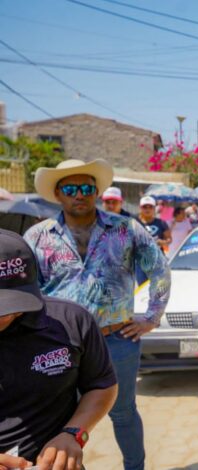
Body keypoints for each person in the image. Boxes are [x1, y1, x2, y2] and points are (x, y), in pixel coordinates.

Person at [23, 159, 171, 470]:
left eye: (87, 188)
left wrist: (152, 317)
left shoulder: (126, 229)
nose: (80, 194)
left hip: (117, 339)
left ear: (96, 192)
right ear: (58, 194)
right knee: (62, 421)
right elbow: (27, 291)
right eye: (71, 189)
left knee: (124, 412)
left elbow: (159, 269)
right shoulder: (37, 237)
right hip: (59, 345)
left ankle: (136, 467)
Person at [0, 229, 118, 470]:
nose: (5, 314)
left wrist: (73, 434)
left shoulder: (71, 321)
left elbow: (101, 385)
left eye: (12, 302)